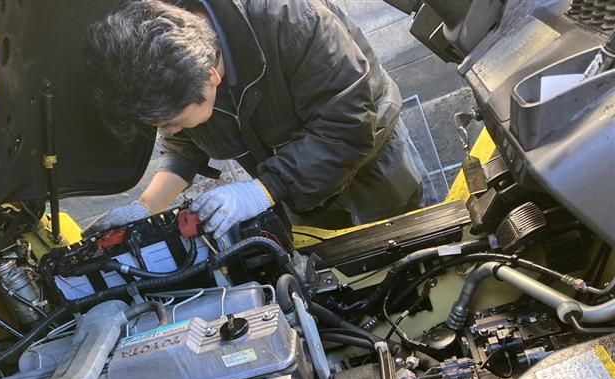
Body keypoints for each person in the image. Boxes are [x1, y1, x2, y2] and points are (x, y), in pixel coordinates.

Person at [86, 0, 436, 238]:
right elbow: (183, 144)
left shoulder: (289, 18)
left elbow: (347, 124)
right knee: (335, 274)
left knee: (410, 251)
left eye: (171, 121)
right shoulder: (167, 56)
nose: (171, 131)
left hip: (369, 157)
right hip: (292, 183)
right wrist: (147, 206)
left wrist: (264, 190)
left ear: (211, 77)